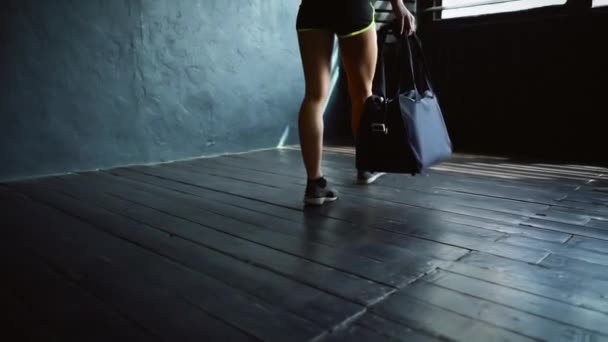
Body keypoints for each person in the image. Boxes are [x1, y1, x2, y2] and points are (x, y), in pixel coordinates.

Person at [296, 0, 416, 205]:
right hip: (352, 7)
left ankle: (314, 184)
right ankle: (366, 167)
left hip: (312, 8)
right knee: (362, 93)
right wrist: (398, 6)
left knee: (314, 97)